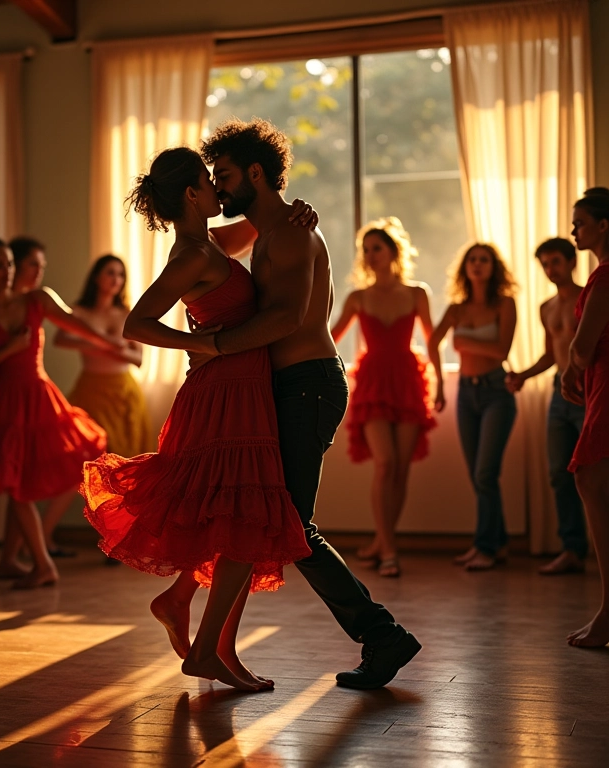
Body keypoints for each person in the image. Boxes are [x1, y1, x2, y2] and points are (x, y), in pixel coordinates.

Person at [183, 118, 422, 689]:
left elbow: (287, 317)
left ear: (256, 174)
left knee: (289, 525)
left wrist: (211, 346)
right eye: (212, 180)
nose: (219, 190)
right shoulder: (271, 231)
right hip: (295, 385)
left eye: (226, 177)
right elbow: (202, 250)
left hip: (308, 384)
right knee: (284, 523)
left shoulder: (288, 236)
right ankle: (378, 635)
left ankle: (381, 634)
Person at [82, 146, 315, 691]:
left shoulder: (211, 242)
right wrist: (203, 342)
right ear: (191, 194)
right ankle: (206, 646)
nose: (219, 191)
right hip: (224, 393)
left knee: (233, 514)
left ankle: (184, 606)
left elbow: (264, 228)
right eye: (210, 184)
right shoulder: (190, 254)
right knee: (240, 515)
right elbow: (136, 324)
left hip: (240, 390)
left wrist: (298, 213)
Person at [0, 237, 110, 589]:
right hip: (1, 403)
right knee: (15, 487)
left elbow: (73, 323)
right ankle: (42, 564)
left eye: (9, 264)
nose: (7, 272)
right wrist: (7, 351)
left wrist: (115, 343)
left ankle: (10, 561)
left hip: (38, 398)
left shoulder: (37, 299)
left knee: (19, 486)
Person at [331, 218, 440, 578]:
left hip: (409, 380)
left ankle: (381, 541)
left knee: (402, 468)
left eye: (377, 248)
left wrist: (438, 381)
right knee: (386, 463)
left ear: (394, 251)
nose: (370, 255)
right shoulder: (358, 297)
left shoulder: (417, 292)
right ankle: (389, 549)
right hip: (374, 382)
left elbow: (432, 339)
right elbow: (330, 337)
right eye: (366, 250)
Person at [429, 243, 517, 571]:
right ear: (465, 268)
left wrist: (466, 342)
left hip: (497, 393)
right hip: (466, 394)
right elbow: (434, 342)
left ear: (494, 267)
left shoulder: (505, 304)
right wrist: (439, 383)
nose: (478, 265)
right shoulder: (456, 308)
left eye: (484, 260)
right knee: (479, 475)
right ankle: (500, 543)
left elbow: (502, 350)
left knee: (485, 473)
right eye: (472, 260)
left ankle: (485, 547)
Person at [506, 238, 587, 575]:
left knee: (596, 472)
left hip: (591, 390)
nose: (551, 269)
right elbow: (552, 355)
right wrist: (523, 374)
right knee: (558, 471)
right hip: (560, 393)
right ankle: (572, 549)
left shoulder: (591, 296)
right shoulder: (547, 307)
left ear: (571, 262)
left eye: (556, 261)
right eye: (545, 263)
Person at [561, 187, 609, 647]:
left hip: (605, 386)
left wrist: (569, 369)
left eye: (579, 221)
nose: (573, 229)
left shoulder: (605, 275)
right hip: (599, 384)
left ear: (603, 226)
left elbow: (583, 344)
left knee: (591, 480)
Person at [55, 254, 153, 457]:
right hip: (91, 389)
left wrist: (117, 349)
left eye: (121, 275)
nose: (116, 279)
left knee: (126, 454)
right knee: (93, 452)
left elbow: (139, 359)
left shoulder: (128, 313)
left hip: (124, 392)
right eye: (110, 273)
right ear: (96, 277)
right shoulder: (79, 311)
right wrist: (100, 345)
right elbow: (60, 340)